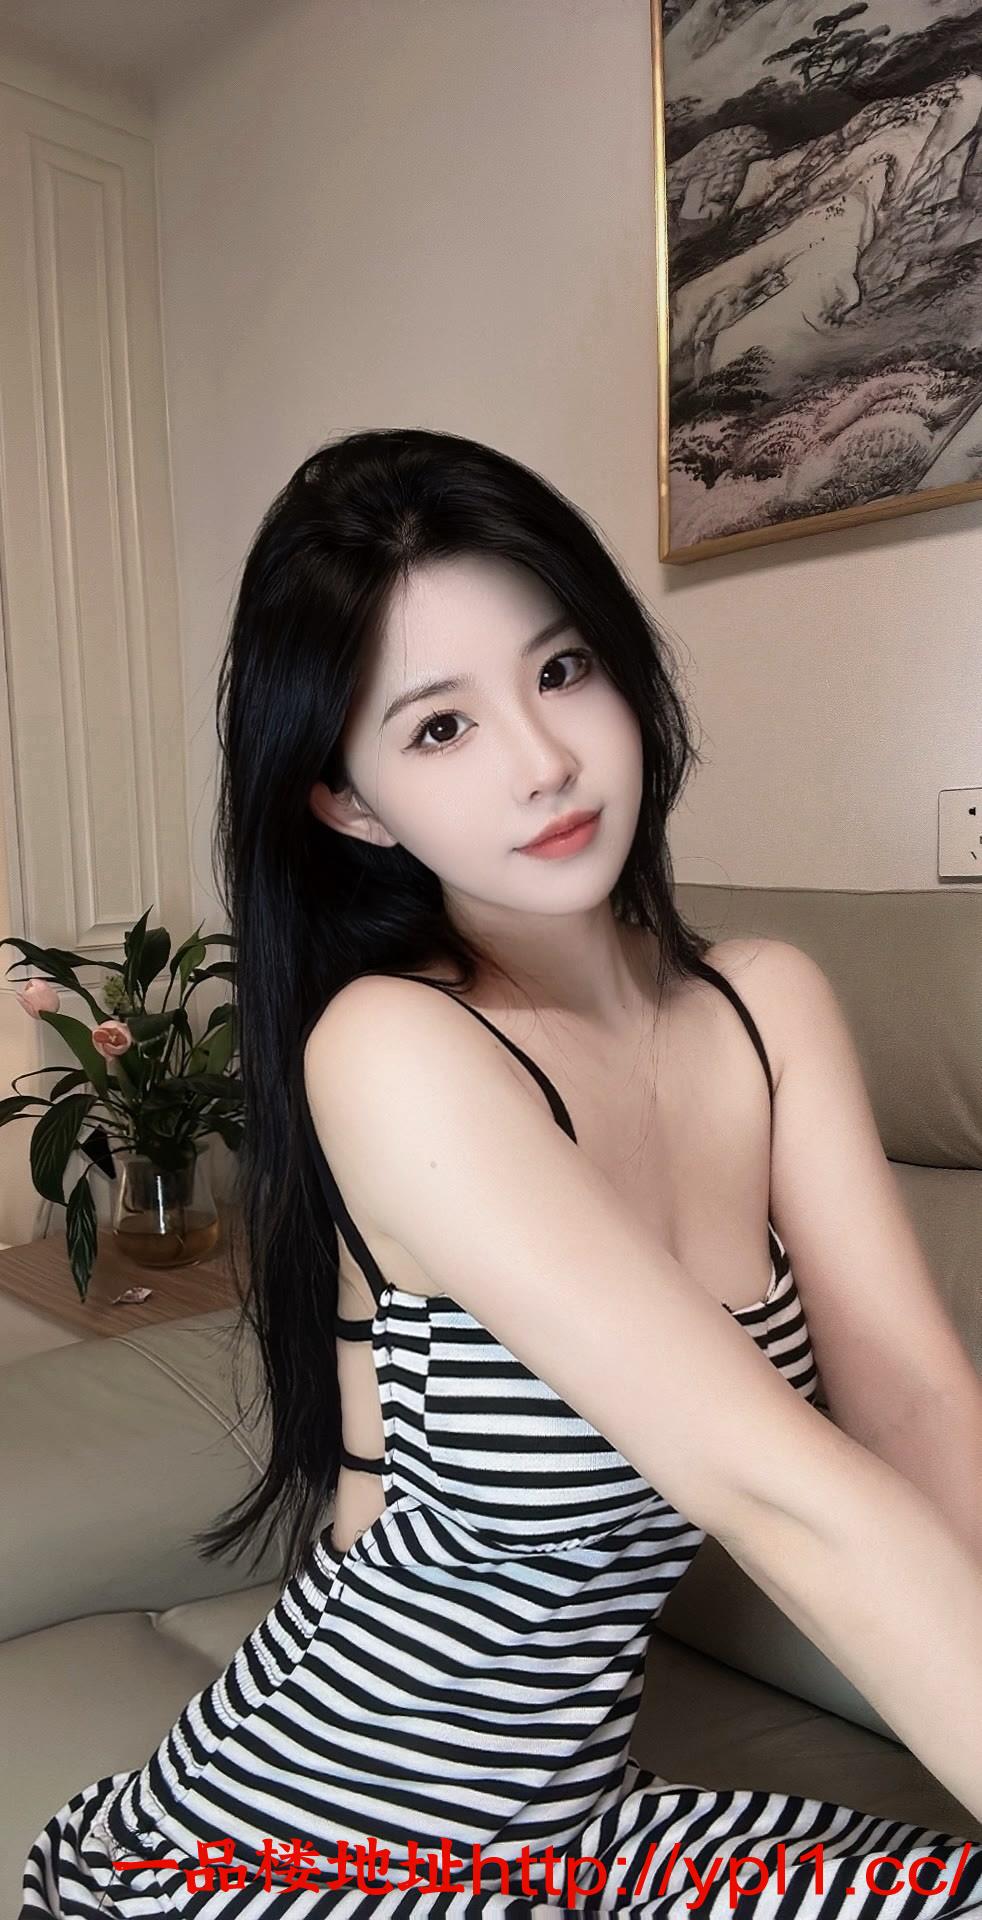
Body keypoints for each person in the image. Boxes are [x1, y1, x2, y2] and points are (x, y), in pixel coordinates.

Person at [21, 427, 982, 1917]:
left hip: (565, 1821)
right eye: (438, 729)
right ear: (348, 802)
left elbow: (914, 1404)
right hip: (308, 1840)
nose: (544, 762)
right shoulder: (393, 1048)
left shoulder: (768, 1004)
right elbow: (770, 1490)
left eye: (561, 669)